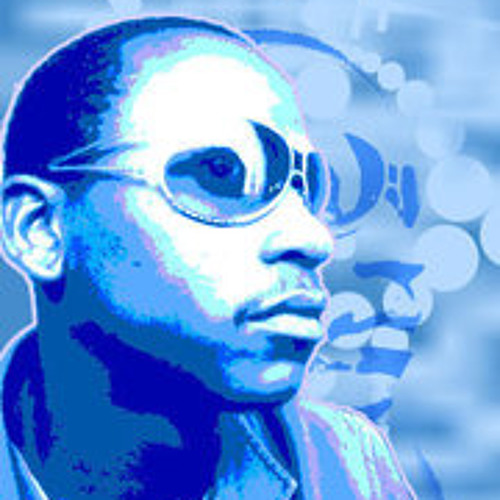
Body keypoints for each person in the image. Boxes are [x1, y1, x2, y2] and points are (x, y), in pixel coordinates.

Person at [0, 15, 415, 499]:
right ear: (39, 230)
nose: (312, 238)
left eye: (305, 189)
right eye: (220, 172)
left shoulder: (347, 463)